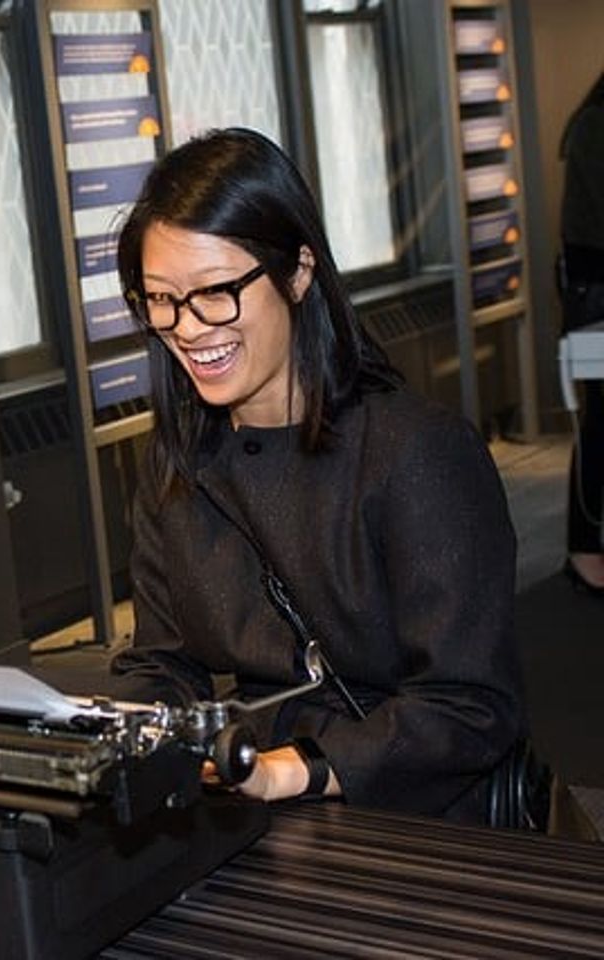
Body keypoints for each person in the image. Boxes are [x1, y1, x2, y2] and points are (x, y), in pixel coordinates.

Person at [107, 128, 523, 823]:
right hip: (249, 803)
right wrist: (123, 734)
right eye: (159, 300)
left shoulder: (415, 451)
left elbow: (471, 705)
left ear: (298, 273)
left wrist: (293, 770)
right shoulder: (179, 459)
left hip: (414, 818)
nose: (187, 328)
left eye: (215, 292)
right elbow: (163, 661)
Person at [559, 70, 604, 596]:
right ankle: (585, 547)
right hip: (598, 299)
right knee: (601, 426)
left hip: (593, 293)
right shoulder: (595, 128)